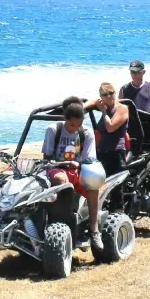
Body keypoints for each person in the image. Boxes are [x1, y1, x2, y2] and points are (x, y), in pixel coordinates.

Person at [42, 96, 103, 252]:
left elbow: (89, 159)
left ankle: (94, 229)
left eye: (78, 125)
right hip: (57, 168)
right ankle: (62, 221)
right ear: (65, 118)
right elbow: (47, 159)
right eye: (71, 124)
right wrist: (60, 164)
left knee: (93, 184)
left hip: (77, 170)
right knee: (60, 178)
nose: (74, 128)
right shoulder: (53, 130)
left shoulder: (87, 133)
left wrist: (79, 164)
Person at [85, 82, 130, 178]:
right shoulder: (105, 106)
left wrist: (104, 112)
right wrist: (82, 107)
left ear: (115, 93)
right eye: (105, 94)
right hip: (102, 152)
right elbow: (92, 101)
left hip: (116, 153)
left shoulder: (121, 108)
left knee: (116, 187)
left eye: (111, 93)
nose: (109, 96)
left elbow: (110, 128)